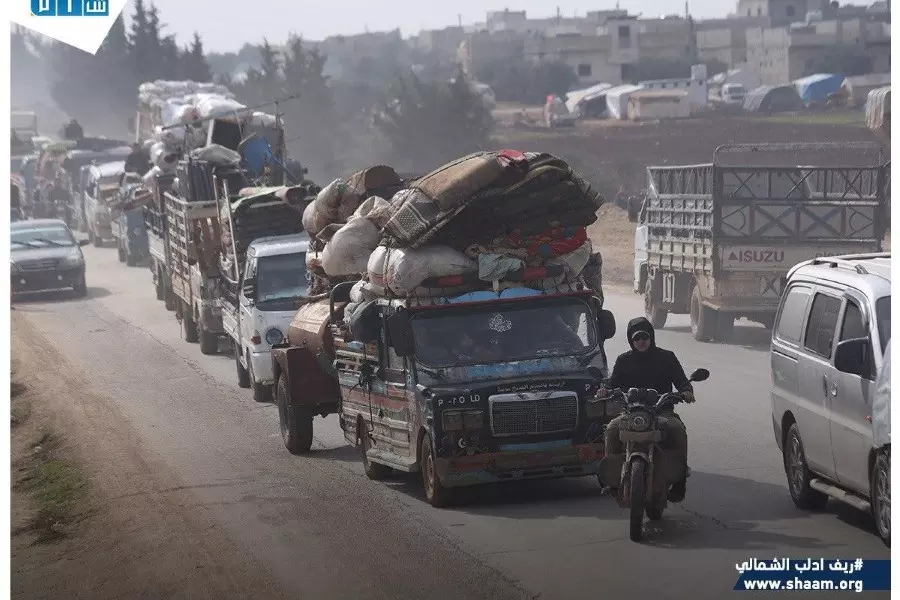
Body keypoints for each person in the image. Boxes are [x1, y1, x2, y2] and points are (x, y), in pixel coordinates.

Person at [599, 316, 694, 502]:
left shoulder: (666, 357)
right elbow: (612, 383)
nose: (641, 342)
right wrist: (604, 390)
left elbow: (682, 381)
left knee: (678, 430)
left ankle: (680, 481)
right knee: (611, 429)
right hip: (631, 413)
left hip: (661, 411)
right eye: (636, 338)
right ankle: (612, 480)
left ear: (651, 337)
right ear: (631, 340)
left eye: (644, 337)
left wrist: (686, 391)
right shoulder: (623, 360)